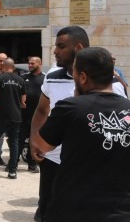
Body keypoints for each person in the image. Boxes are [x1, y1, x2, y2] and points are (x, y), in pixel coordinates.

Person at [31, 47, 130, 222]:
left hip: (71, 213)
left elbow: (42, 145)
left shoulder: (69, 108)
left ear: (83, 77)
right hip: (121, 216)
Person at [30, 25, 88, 222]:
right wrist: (34, 139)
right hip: (53, 159)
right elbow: (42, 110)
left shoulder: (108, 81)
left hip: (89, 163)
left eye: (61, 46)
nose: (55, 51)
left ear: (78, 48)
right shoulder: (52, 78)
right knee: (48, 211)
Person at [20, 56, 44, 173]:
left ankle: (32, 164)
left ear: (39, 64)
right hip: (23, 115)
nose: (30, 65)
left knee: (34, 140)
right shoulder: (24, 77)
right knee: (19, 139)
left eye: (32, 63)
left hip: (38, 116)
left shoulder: (45, 78)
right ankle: (13, 163)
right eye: (29, 63)